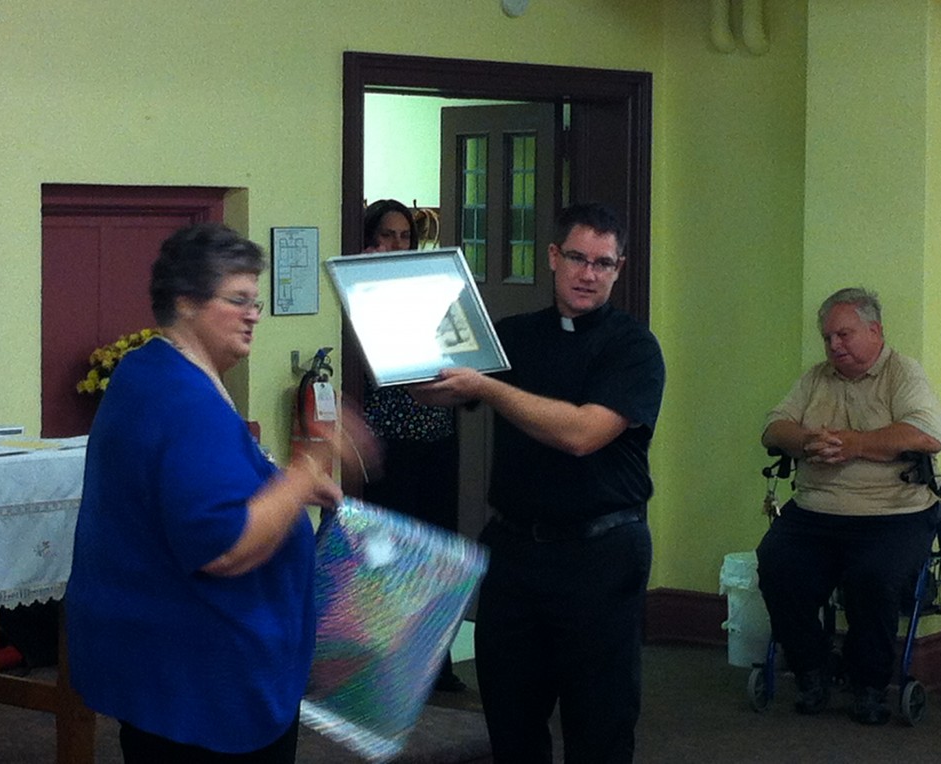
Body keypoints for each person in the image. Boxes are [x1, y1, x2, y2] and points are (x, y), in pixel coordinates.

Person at [66, 223, 378, 762]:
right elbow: (223, 546)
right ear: (186, 302)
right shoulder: (182, 398)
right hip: (204, 690)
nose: (254, 313)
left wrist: (281, 487)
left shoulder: (148, 369)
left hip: (170, 673)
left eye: (255, 301)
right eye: (238, 300)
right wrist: (307, 468)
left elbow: (193, 490)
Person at [411, 202, 665, 762]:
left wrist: (491, 387)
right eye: (577, 257)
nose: (588, 273)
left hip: (602, 553)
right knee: (510, 715)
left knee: (599, 721)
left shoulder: (633, 348)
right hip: (516, 553)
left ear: (618, 268)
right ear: (553, 257)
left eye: (603, 263)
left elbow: (581, 434)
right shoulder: (516, 336)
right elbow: (439, 389)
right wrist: (404, 353)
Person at [756, 287, 941, 726]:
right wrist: (804, 441)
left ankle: (868, 684)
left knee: (873, 577)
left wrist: (855, 444)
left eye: (843, 335)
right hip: (816, 511)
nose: (833, 346)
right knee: (775, 562)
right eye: (827, 338)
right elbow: (772, 427)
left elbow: (928, 433)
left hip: (893, 513)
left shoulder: (903, 374)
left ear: (875, 331)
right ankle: (812, 670)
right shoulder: (815, 378)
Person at [357, 198, 467, 692]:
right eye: (387, 235)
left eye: (404, 236)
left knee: (437, 554)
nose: (396, 244)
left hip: (437, 441)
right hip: (390, 445)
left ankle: (435, 667)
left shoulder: (430, 294)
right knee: (390, 556)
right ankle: (387, 666)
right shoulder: (362, 293)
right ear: (370, 238)